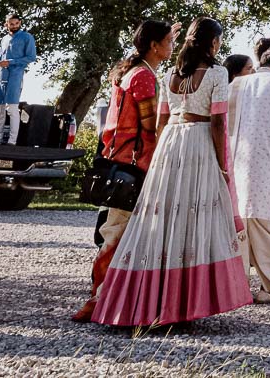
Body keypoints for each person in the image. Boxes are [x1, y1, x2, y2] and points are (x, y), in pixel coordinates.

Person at [92, 17, 251, 327]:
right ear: (213, 43)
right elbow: (218, 122)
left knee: (163, 219)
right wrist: (222, 164)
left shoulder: (169, 76)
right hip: (199, 143)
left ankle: (149, 299)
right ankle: (185, 302)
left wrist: (160, 156)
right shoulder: (218, 73)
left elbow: (160, 122)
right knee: (193, 219)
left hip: (170, 144)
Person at [72, 18, 175, 322]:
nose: (172, 45)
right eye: (168, 41)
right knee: (117, 231)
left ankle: (115, 296)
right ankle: (98, 297)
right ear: (155, 46)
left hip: (119, 158)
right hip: (134, 162)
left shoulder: (132, 71)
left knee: (118, 229)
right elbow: (150, 126)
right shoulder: (143, 77)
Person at [228, 45, 270, 303]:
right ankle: (269, 287)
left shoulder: (237, 84)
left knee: (242, 222)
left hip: (239, 159)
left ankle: (239, 285)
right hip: (268, 158)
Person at [0, 13, 37, 145]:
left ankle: (12, 141)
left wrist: (10, 62)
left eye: (17, 23)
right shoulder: (4, 39)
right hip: (0, 76)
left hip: (15, 76)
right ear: (6, 24)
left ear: (20, 23)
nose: (15, 26)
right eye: (12, 24)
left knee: (12, 108)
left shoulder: (27, 37)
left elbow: (31, 57)